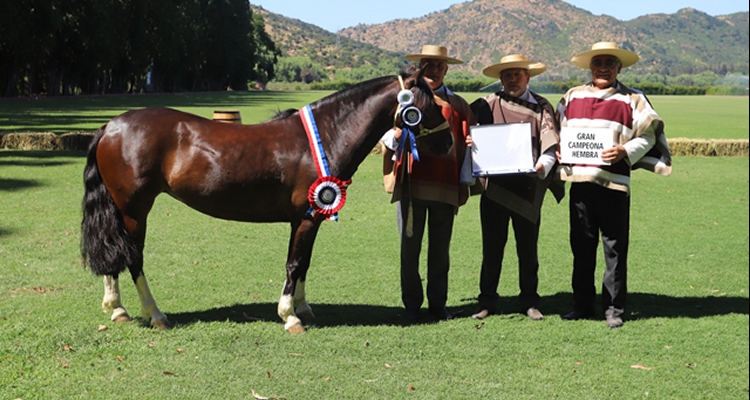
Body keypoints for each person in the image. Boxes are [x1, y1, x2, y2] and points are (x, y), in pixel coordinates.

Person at [556, 42, 671, 328]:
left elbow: (649, 136)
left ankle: (614, 309)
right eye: (598, 63)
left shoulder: (634, 99)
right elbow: (557, 131)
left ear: (619, 67)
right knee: (581, 247)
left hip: (615, 185)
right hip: (580, 183)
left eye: (610, 63)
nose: (603, 68)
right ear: (590, 67)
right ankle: (582, 305)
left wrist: (624, 151)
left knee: (615, 249)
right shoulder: (572, 96)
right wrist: (558, 150)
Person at [382, 45, 475, 322]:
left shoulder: (459, 105)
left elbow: (468, 143)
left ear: (446, 70)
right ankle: (411, 305)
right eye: (428, 65)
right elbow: (385, 134)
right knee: (409, 250)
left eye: (439, 66)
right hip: (411, 184)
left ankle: (438, 305)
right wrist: (395, 137)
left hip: (445, 186)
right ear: (419, 68)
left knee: (440, 251)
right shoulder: (403, 100)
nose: (433, 70)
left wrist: (468, 164)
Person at [468, 55, 562, 321]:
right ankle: (486, 301)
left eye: (517, 75)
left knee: (528, 249)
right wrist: (469, 140)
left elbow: (550, 146)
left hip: (527, 189)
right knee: (492, 249)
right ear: (500, 78)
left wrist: (543, 165)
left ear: (528, 77)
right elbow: (467, 131)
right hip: (494, 190)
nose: (512, 80)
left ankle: (530, 301)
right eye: (507, 75)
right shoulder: (486, 104)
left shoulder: (541, 106)